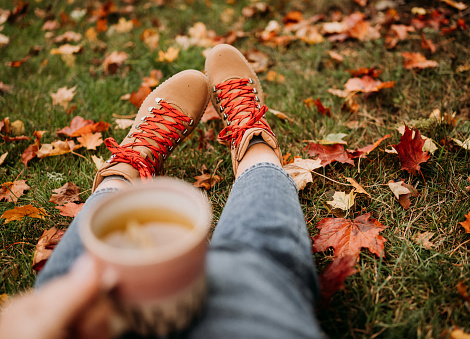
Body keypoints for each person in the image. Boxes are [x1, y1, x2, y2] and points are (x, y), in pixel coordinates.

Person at [0, 44, 324, 339]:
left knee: (83, 254)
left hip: (81, 316)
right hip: (255, 317)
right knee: (265, 258)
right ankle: (254, 148)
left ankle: (123, 173)